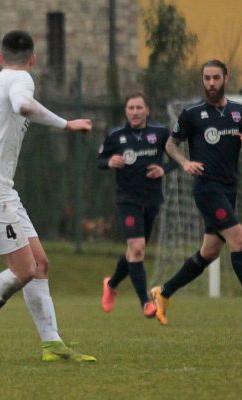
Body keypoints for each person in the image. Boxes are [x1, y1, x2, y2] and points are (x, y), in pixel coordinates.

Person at [0, 30, 95, 362]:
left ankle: (52, 344)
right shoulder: (21, 79)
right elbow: (24, 105)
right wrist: (66, 124)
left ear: (0, 58)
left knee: (40, 263)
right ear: (33, 59)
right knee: (24, 269)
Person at [151, 59, 242, 325]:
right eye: (207, 78)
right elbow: (170, 144)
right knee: (240, 241)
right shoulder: (192, 114)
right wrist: (184, 162)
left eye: (216, 78)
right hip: (207, 189)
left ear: (225, 78)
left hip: (229, 190)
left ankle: (164, 291)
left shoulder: (240, 113)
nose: (211, 83)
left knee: (210, 252)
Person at [98, 92, 176, 318]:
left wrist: (164, 169)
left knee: (135, 251)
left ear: (147, 110)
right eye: (130, 108)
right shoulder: (115, 135)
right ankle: (145, 303)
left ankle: (111, 284)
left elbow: (177, 156)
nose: (134, 112)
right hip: (127, 200)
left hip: (152, 199)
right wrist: (109, 161)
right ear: (126, 111)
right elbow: (100, 160)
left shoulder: (160, 133)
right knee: (138, 248)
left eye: (138, 107)